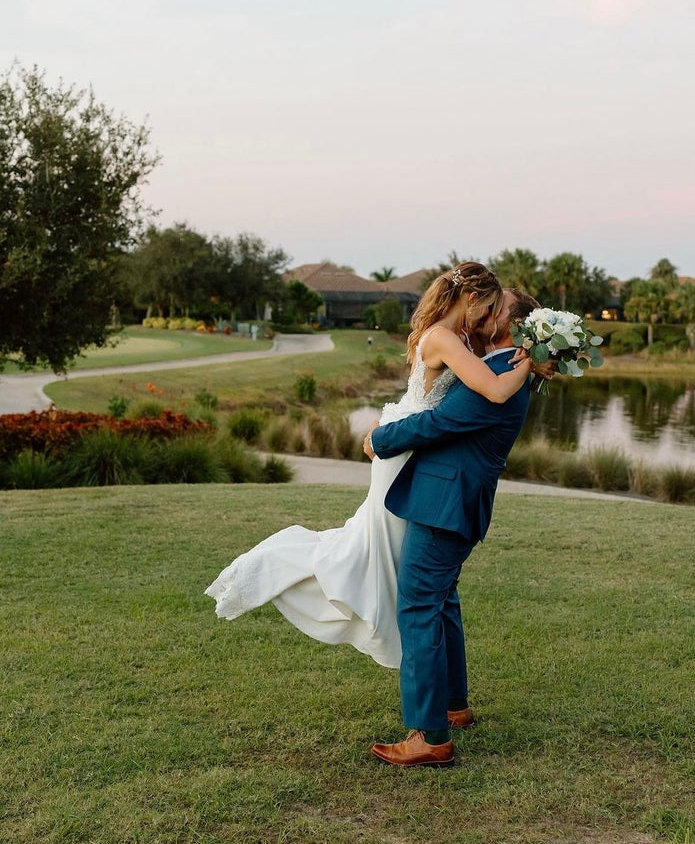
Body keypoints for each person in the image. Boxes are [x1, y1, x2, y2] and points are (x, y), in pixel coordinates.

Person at [204, 264, 543, 669]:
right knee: (369, 554)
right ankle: (288, 572)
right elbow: (494, 387)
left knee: (394, 565)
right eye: (487, 306)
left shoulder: (458, 339)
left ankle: (424, 669)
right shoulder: (445, 339)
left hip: (411, 450)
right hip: (401, 452)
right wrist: (534, 361)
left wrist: (535, 356)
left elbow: (482, 377)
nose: (488, 317)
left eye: (495, 310)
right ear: (471, 299)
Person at [364, 287, 543, 768]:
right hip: (451, 499)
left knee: (419, 604)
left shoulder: (505, 371)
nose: (486, 311)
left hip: (446, 503)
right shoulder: (498, 364)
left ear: (514, 325)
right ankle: (454, 705)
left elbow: (441, 423)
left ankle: (430, 735)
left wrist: (380, 438)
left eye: (497, 307)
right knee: (442, 601)